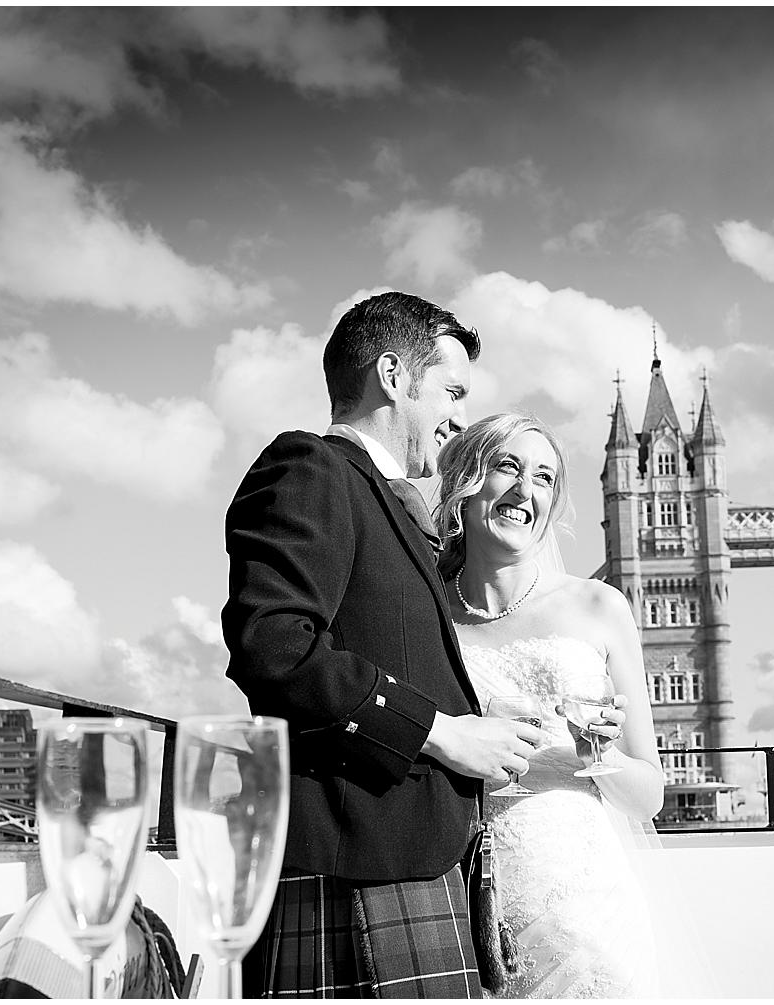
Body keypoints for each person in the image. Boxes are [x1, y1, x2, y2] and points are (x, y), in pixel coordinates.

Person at [222, 293, 545, 998]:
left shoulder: (386, 498)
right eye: (452, 391)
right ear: (395, 376)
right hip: (357, 873)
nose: (459, 416)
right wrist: (440, 732)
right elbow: (275, 648)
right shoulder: (310, 468)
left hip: (405, 864)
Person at [434, 412, 666, 998]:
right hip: (462, 907)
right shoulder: (426, 615)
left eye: (544, 478)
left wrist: (603, 754)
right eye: (507, 467)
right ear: (465, 482)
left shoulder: (599, 606)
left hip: (587, 909)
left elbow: (648, 796)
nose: (525, 490)